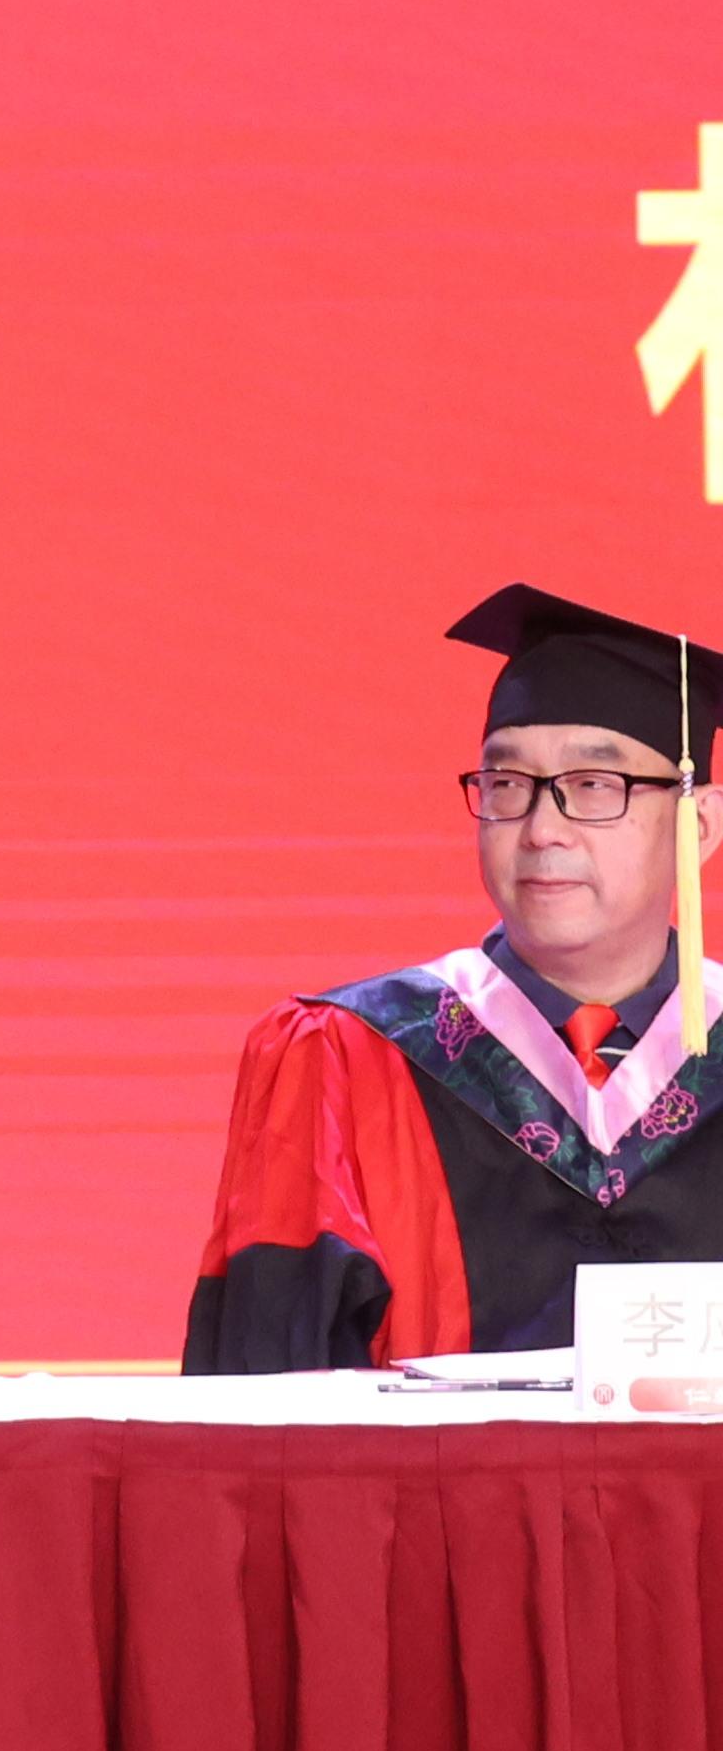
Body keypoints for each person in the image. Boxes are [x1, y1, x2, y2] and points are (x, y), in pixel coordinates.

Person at [184, 585, 723, 1371]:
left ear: (698, 825)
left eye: (593, 787)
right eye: (506, 786)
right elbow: (268, 1398)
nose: (541, 829)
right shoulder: (346, 1061)